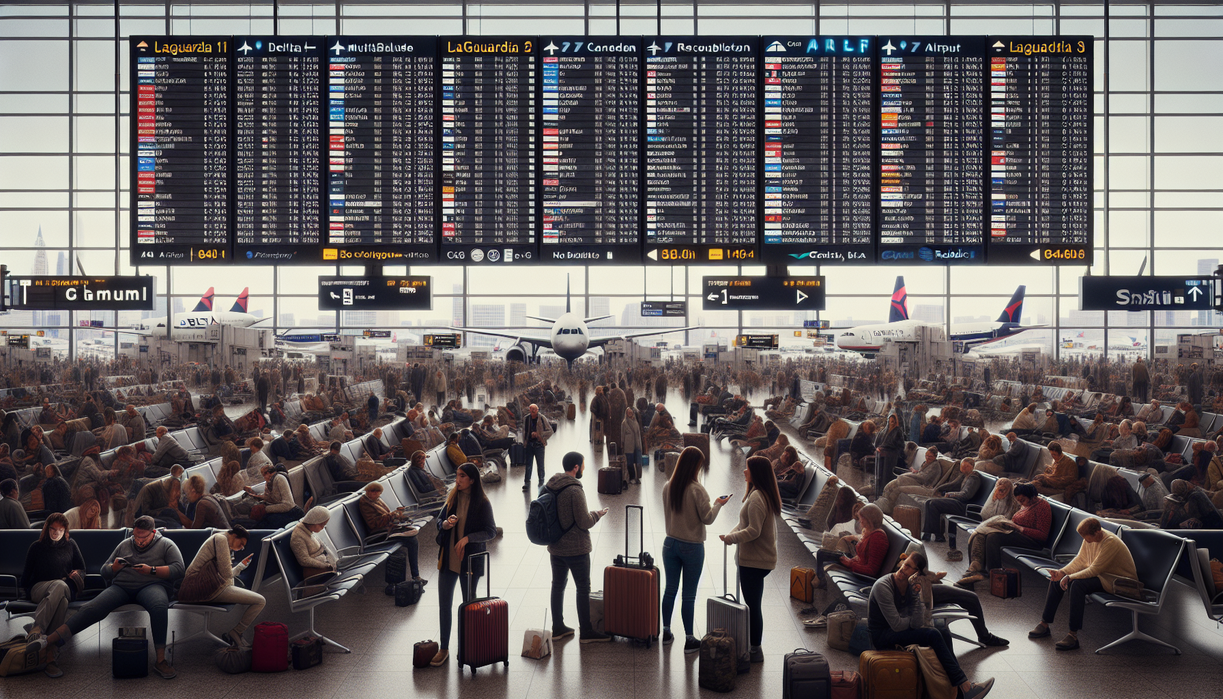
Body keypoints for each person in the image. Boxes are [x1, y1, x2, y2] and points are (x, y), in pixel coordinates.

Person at [36, 516, 184, 679]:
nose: (139, 541)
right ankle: (49, 641)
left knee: (159, 606)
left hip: (152, 585)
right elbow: (104, 571)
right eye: (136, 536)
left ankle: (161, 660)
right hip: (121, 586)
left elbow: (179, 569)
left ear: (153, 532)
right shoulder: (125, 544)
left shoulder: (166, 545)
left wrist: (152, 571)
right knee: (92, 608)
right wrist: (113, 568)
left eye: (144, 537)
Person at [868, 552, 995, 699]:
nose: (903, 568)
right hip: (881, 636)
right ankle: (965, 687)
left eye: (909, 567)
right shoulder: (883, 586)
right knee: (932, 634)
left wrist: (916, 597)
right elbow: (897, 625)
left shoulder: (911, 587)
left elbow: (917, 623)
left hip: (896, 629)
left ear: (916, 574)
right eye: (905, 563)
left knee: (943, 631)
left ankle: (959, 691)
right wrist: (910, 619)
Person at [1030, 517, 1138, 651]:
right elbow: (1081, 559)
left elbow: (1094, 569)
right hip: (1103, 577)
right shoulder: (1091, 536)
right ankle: (1044, 624)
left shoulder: (1110, 542)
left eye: (1088, 539)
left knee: (1077, 585)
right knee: (1056, 579)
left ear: (1098, 532)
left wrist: (1069, 577)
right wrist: (1062, 572)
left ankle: (1073, 636)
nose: (1086, 541)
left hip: (1119, 582)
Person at [661, 446, 729, 652]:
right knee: (688, 595)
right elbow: (707, 518)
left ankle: (665, 631)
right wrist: (718, 503)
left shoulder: (668, 486)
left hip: (670, 544)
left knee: (670, 589)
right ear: (695, 466)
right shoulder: (697, 490)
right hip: (692, 546)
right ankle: (689, 639)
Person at [430, 462, 497, 667]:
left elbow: (491, 531)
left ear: (472, 480)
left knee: (469, 605)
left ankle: (468, 645)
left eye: (462, 476)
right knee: (444, 606)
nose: (457, 480)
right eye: (457, 475)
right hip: (448, 560)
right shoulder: (451, 499)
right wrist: (446, 524)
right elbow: (439, 523)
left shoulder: (482, 503)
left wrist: (468, 538)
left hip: (469, 562)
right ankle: (444, 648)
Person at [544, 452, 611, 644]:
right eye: (582, 465)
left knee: (557, 585)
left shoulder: (551, 485)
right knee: (583, 588)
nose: (583, 468)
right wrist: (597, 515)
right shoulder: (574, 490)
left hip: (555, 546)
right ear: (575, 467)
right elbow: (584, 521)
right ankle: (587, 631)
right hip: (576, 548)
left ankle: (558, 627)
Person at [719, 455, 780, 664]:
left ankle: (756, 649)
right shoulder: (759, 493)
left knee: (753, 605)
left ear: (756, 473)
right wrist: (730, 534)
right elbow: (743, 522)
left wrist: (732, 538)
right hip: (758, 559)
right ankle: (755, 646)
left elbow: (753, 530)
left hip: (754, 561)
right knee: (754, 603)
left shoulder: (756, 498)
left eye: (747, 468)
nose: (744, 472)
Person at [20, 513, 85, 676]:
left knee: (62, 599)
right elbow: (25, 577)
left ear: (66, 531)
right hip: (39, 589)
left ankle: (45, 647)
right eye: (53, 529)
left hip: (64, 588)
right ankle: (43, 639)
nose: (56, 533)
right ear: (47, 529)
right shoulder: (36, 546)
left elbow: (82, 569)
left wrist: (73, 579)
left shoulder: (71, 545)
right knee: (59, 587)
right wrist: (25, 592)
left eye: (61, 530)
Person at [180, 524, 265, 647]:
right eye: (241, 544)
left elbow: (225, 575)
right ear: (235, 536)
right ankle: (236, 632)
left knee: (246, 593)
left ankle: (237, 633)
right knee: (260, 601)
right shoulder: (221, 539)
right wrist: (237, 569)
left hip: (200, 585)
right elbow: (226, 575)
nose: (240, 548)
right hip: (200, 587)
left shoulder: (220, 538)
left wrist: (240, 566)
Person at [957, 482, 1051, 587]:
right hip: (1015, 532)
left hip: (1031, 540)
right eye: (1019, 501)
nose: (1021, 504)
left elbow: (1042, 535)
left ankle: (995, 575)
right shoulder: (1026, 505)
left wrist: (1020, 528)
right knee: (981, 534)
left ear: (1033, 497)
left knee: (993, 537)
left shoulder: (1043, 507)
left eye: (1023, 500)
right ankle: (974, 569)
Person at [358, 481, 424, 584]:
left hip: (388, 529)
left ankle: (415, 575)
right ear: (372, 492)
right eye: (378, 493)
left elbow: (386, 516)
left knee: (412, 538)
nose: (379, 496)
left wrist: (400, 516)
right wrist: (393, 515)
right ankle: (415, 576)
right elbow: (374, 523)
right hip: (379, 534)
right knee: (412, 542)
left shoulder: (374, 500)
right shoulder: (365, 504)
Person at [922, 459, 983, 542]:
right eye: (962, 466)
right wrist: (939, 488)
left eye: (967, 466)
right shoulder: (964, 475)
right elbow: (953, 484)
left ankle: (938, 535)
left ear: (972, 467)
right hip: (958, 502)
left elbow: (966, 495)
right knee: (928, 502)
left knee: (934, 504)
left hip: (964, 506)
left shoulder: (973, 478)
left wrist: (951, 494)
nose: (964, 468)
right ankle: (927, 533)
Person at [291, 506, 338, 578]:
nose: (323, 528)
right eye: (322, 524)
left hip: (326, 567)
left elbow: (323, 547)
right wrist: (326, 566)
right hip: (316, 573)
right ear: (315, 521)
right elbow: (304, 560)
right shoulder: (298, 537)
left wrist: (335, 561)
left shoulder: (310, 530)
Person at [519, 403, 554, 493]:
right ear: (529, 410)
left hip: (539, 445)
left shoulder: (542, 418)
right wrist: (524, 443)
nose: (533, 411)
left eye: (535, 409)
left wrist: (539, 435)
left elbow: (550, 431)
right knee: (528, 465)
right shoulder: (526, 419)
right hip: (529, 445)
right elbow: (524, 431)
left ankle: (541, 482)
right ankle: (527, 482)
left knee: (540, 465)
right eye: (531, 409)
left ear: (537, 410)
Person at [874, 414, 905, 493]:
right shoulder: (884, 431)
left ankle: (885, 489)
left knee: (887, 473)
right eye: (890, 421)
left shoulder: (898, 431)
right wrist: (878, 448)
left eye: (893, 422)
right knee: (880, 472)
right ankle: (879, 488)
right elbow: (877, 442)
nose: (891, 423)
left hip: (892, 454)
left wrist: (884, 447)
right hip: (882, 454)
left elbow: (899, 444)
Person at [621, 406, 644, 485]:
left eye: (631, 412)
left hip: (637, 445)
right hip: (629, 446)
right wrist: (622, 444)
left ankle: (638, 478)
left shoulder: (635, 422)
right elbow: (622, 435)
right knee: (630, 463)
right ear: (626, 414)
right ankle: (632, 477)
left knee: (638, 462)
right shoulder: (624, 423)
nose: (630, 414)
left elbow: (638, 434)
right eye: (628, 413)